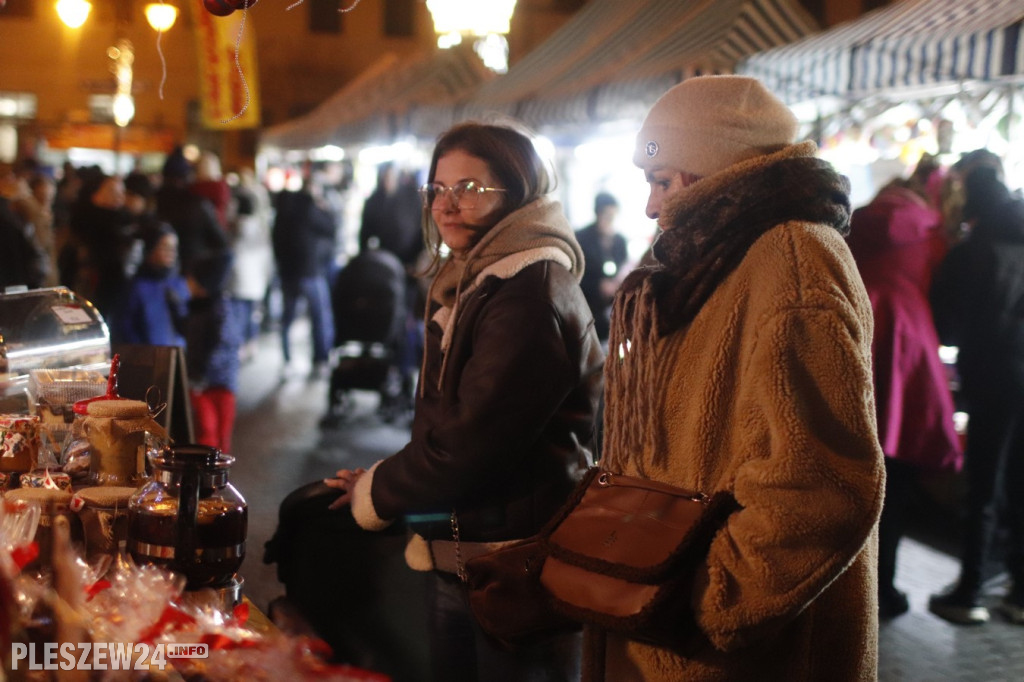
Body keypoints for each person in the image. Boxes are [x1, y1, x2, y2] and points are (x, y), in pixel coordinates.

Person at [593, 75, 885, 680]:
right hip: (661, 621)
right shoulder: (709, 255)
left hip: (726, 653)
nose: (651, 206)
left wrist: (711, 604)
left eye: (662, 180)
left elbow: (821, 486)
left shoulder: (793, 258)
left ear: (718, 171)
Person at [323, 121, 604, 682]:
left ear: (518, 192)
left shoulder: (528, 293)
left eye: (470, 189)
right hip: (465, 553)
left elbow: (471, 444)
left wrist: (377, 489)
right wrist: (391, 481)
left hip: (515, 568)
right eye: (438, 189)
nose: (447, 205)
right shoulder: (473, 276)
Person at [846, 160, 963, 620]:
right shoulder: (933, 230)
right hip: (909, 350)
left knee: (851, 470)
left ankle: (848, 585)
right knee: (894, 478)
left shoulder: (861, 219)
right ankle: (883, 588)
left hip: (856, 336)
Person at [928, 155, 1024, 626]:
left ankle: (970, 592)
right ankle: (1019, 594)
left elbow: (947, 325)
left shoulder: (972, 250)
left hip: (992, 377)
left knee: (984, 483)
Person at [271, 175, 336, 375]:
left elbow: (275, 239)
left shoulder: (283, 210)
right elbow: (331, 228)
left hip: (288, 272)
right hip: (310, 270)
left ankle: (286, 360)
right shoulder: (310, 208)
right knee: (319, 317)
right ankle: (320, 360)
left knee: (287, 319)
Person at [184, 250, 242, 454]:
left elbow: (223, 345)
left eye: (191, 280)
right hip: (205, 383)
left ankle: (218, 477)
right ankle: (208, 477)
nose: (187, 284)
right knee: (207, 432)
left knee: (219, 435)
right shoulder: (196, 307)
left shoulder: (220, 310)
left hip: (219, 383)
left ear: (203, 284)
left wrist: (201, 373)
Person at [111, 221, 190, 348]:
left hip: (177, 360)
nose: (171, 253)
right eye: (165, 247)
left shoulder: (179, 285)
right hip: (148, 361)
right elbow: (124, 327)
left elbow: (188, 326)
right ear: (150, 249)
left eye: (174, 248)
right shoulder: (136, 287)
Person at [575, 191, 628, 343]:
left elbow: (623, 266)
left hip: (614, 306)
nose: (610, 220)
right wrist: (599, 286)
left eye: (613, 215)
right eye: (607, 215)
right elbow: (576, 274)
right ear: (598, 213)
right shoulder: (581, 238)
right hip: (588, 307)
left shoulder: (620, 241)